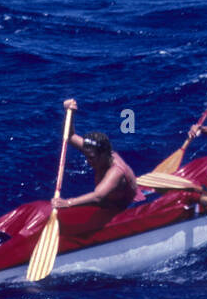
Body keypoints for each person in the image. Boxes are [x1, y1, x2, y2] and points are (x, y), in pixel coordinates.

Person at [51, 100, 145, 234]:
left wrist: (67, 203)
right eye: (87, 156)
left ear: (104, 155)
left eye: (92, 158)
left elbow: (98, 196)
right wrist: (68, 113)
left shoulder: (116, 171)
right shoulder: (95, 151)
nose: (89, 161)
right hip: (107, 203)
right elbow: (70, 136)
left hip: (127, 208)